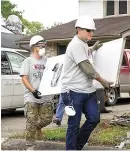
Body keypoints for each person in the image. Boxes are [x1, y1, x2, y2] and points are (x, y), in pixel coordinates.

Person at [60, 15, 113, 150]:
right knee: (74, 124)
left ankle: (77, 146)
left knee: (94, 119)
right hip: (72, 92)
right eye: (88, 30)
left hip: (88, 90)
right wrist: (102, 81)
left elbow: (85, 53)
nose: (91, 33)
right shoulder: (75, 45)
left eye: (92, 31)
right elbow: (87, 69)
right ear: (78, 29)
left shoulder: (83, 44)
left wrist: (93, 48)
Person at [20, 35, 54, 150]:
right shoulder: (28, 61)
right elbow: (24, 78)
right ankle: (30, 146)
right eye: (41, 46)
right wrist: (33, 91)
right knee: (31, 121)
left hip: (45, 96)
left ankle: (38, 127)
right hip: (31, 97)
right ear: (34, 47)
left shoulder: (47, 61)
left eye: (44, 46)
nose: (44, 48)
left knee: (47, 119)